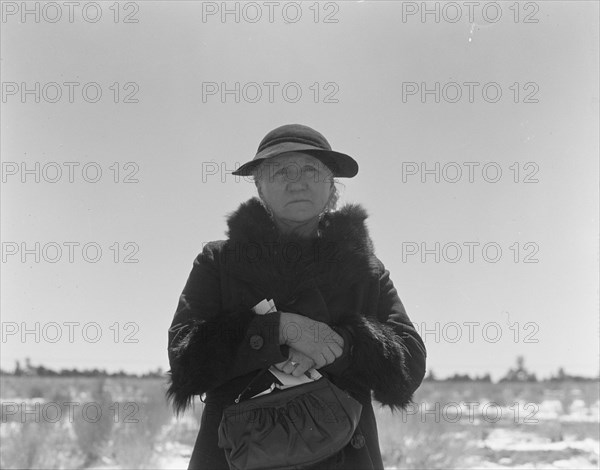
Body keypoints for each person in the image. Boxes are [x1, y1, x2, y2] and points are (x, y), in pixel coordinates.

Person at [167, 124, 427, 470]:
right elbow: (185, 360)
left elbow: (407, 369)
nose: (297, 181)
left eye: (311, 170)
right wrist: (277, 331)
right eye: (280, 171)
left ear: (332, 185)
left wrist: (339, 343)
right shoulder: (219, 261)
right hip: (234, 458)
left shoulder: (367, 270)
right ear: (259, 186)